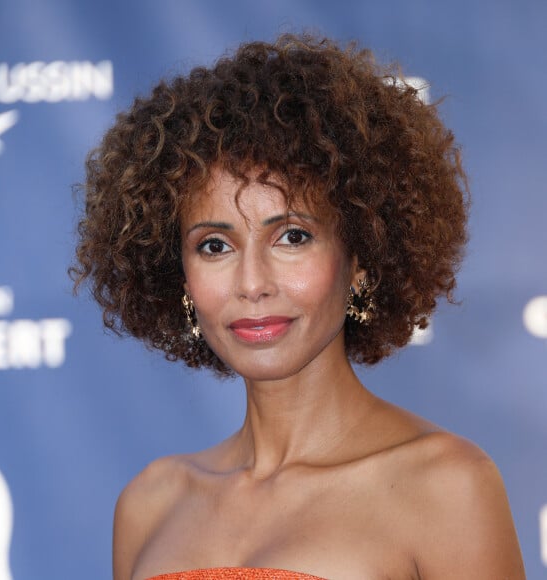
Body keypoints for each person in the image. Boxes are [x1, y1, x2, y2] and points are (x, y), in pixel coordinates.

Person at [72, 33, 525, 580]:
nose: (253, 283)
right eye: (215, 245)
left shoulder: (447, 485)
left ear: (360, 254)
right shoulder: (150, 504)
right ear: (178, 273)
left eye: (291, 237)